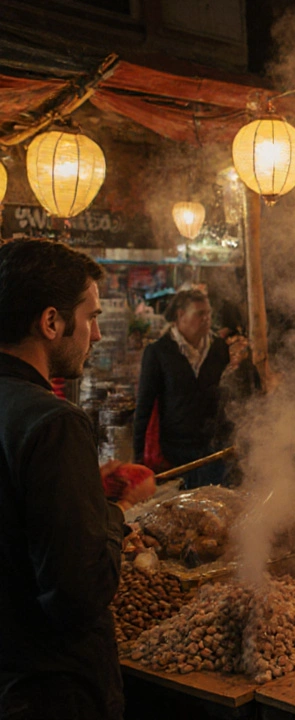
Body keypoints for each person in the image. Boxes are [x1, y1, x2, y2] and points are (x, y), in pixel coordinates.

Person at [0, 239, 155, 720]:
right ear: (51, 322)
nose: (98, 335)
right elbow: (78, 592)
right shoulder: (54, 422)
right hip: (53, 689)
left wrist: (85, 486)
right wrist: (118, 511)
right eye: (90, 318)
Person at [133, 289, 232, 488]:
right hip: (175, 452)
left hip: (213, 450)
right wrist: (138, 460)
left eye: (208, 313)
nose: (206, 319)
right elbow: (144, 406)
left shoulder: (219, 348)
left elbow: (227, 395)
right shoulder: (158, 352)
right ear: (180, 315)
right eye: (199, 314)